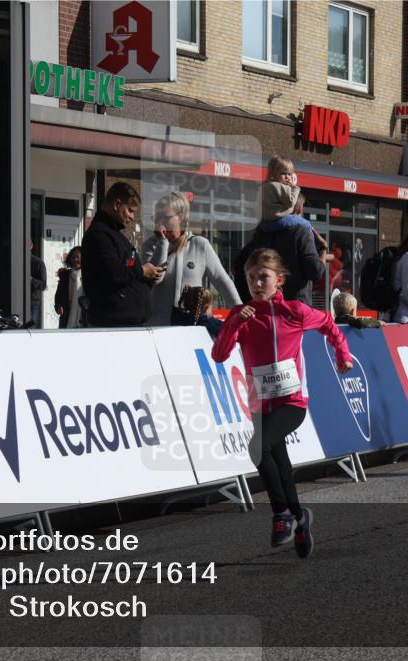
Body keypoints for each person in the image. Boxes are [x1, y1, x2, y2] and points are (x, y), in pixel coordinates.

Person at [212, 248, 352, 559]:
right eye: (251, 279)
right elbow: (219, 355)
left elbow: (329, 324)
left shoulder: (295, 311)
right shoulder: (242, 316)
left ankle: (281, 515)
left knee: (256, 447)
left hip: (292, 401)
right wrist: (234, 323)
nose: (257, 283)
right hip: (260, 405)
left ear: (280, 281)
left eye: (263, 277)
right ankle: (300, 517)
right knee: (281, 465)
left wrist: (342, 354)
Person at [234, 156, 326, 303]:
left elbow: (240, 266)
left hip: (267, 306)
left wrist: (249, 301)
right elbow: (314, 271)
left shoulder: (262, 231)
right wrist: (322, 250)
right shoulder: (300, 230)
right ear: (296, 209)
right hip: (295, 308)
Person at [140, 192, 240, 326]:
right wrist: (162, 242)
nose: (159, 223)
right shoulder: (150, 245)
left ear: (180, 218)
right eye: (156, 218)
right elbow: (156, 278)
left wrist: (240, 312)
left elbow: (222, 281)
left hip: (190, 327)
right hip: (158, 327)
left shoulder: (199, 244)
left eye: (165, 218)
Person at [81, 182, 165, 327]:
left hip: (127, 323)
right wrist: (142, 270)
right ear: (117, 204)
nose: (132, 217)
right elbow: (115, 274)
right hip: (113, 325)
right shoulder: (99, 235)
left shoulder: (116, 236)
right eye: (130, 211)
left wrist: (147, 276)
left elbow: (128, 270)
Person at [54, 246, 85, 329]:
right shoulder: (65, 275)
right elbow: (58, 295)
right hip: (66, 318)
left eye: (77, 257)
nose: (75, 259)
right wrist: (58, 306)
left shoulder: (88, 276)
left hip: (83, 318)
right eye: (73, 257)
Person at [29, 242, 47, 327]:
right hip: (17, 300)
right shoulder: (16, 260)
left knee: (31, 330)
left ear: (31, 246)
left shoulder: (39, 263)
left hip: (33, 302)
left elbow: (43, 285)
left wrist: (32, 280)